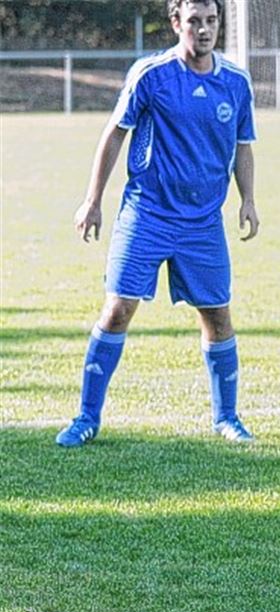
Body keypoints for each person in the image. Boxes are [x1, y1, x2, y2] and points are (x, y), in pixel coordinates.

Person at [56, 0, 260, 448]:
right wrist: (93, 201)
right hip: (147, 213)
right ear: (175, 24)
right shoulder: (151, 75)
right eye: (194, 22)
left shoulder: (236, 83)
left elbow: (244, 145)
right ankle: (86, 418)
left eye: (211, 21)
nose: (203, 30)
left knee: (218, 317)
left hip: (203, 222)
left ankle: (227, 417)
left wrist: (248, 199)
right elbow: (114, 133)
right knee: (117, 310)